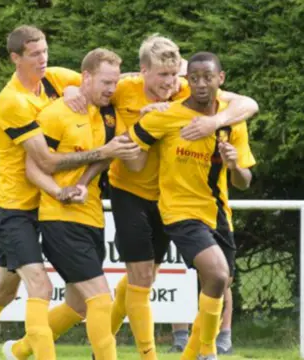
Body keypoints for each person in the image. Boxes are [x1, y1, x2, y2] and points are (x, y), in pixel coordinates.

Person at [0, 25, 138, 360]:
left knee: (4, 291)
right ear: (15, 58)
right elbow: (45, 161)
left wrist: (156, 83)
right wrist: (102, 152)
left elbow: (103, 80)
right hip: (13, 206)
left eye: (45, 51)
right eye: (35, 55)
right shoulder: (13, 101)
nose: (43, 60)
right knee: (40, 286)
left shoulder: (55, 77)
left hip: (44, 202)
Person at [106, 34, 259, 360]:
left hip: (196, 203)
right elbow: (90, 83)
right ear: (143, 71)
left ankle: (105, 338)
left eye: (175, 76)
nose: (170, 83)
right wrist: (141, 124)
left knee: (213, 280)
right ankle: (166, 354)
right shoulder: (125, 90)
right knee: (148, 277)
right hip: (137, 194)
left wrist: (214, 125)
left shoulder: (204, 101)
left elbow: (248, 105)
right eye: (162, 75)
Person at [21, 47, 127, 360]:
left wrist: (82, 183)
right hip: (60, 220)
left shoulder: (109, 114)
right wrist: (58, 192)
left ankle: (18, 351)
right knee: (100, 301)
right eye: (105, 82)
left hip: (92, 218)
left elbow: (105, 155)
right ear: (86, 78)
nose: (111, 89)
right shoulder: (55, 113)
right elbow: (33, 167)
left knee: (78, 305)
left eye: (115, 83)